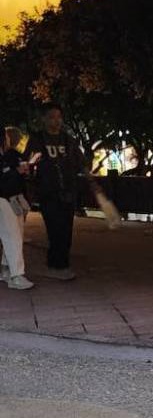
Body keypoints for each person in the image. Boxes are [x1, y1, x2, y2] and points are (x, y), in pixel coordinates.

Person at [24, 103, 87, 280]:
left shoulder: (68, 140)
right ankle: (57, 265)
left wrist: (88, 177)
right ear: (44, 119)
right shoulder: (38, 139)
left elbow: (81, 162)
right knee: (54, 228)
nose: (56, 121)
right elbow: (29, 162)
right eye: (52, 117)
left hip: (68, 191)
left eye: (59, 117)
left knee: (66, 229)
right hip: (48, 192)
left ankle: (61, 264)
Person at [0, 127, 33, 290]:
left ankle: (8, 270)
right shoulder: (7, 156)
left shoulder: (5, 156)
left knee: (12, 235)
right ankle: (16, 275)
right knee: (13, 236)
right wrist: (16, 171)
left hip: (10, 198)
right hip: (5, 198)